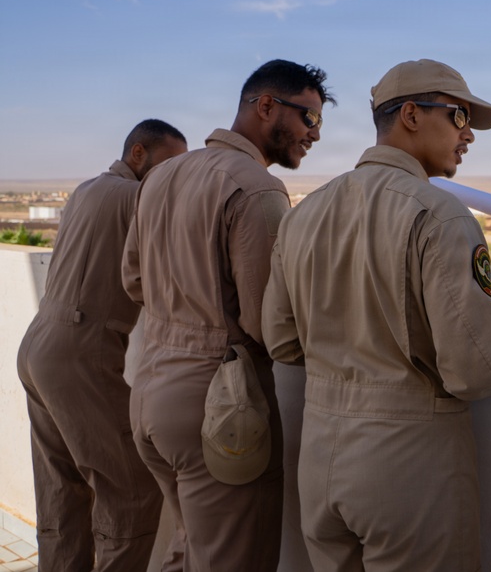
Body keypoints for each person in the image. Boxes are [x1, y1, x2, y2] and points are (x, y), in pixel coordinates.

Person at [262, 58, 491, 571]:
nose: (469, 135)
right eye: (458, 116)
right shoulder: (439, 214)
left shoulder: (305, 213)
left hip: (319, 457)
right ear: (411, 114)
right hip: (408, 466)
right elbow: (476, 369)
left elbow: (280, 341)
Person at [122, 60, 332, 571]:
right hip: (219, 407)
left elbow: (132, 281)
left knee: (188, 549)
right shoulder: (256, 187)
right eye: (309, 119)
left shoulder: (163, 175)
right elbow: (269, 325)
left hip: (149, 394)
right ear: (266, 107)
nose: (315, 135)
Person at [17, 119, 187, 572]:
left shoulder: (88, 189)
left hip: (38, 345)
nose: (171, 178)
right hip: (79, 352)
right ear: (138, 154)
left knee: (62, 491)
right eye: (168, 166)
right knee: (131, 490)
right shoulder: (135, 198)